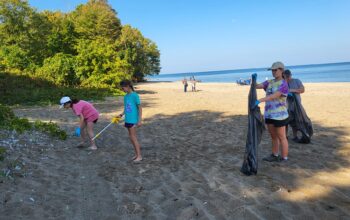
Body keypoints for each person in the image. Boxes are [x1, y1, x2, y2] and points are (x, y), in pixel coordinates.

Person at [253, 61, 289, 162]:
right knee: (273, 136)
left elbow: (274, 96)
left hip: (280, 115)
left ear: (281, 70)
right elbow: (258, 86)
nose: (273, 72)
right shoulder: (269, 82)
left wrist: (259, 101)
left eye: (275, 70)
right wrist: (253, 80)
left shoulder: (284, 84)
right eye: (272, 70)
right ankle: (274, 154)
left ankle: (284, 157)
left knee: (282, 136)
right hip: (269, 114)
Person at [117, 80, 143, 162]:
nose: (122, 90)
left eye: (123, 88)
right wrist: (121, 114)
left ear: (128, 86)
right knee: (131, 138)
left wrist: (139, 120)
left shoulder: (135, 95)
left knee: (133, 138)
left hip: (133, 120)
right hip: (127, 120)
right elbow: (126, 108)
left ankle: (139, 156)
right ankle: (136, 155)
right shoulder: (126, 97)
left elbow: (140, 108)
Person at [283, 69, 305, 141]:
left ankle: (295, 136)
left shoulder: (296, 81)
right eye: (285, 77)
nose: (287, 78)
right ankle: (285, 136)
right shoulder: (283, 83)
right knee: (285, 122)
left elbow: (302, 90)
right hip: (285, 106)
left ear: (290, 75)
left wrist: (292, 90)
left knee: (295, 122)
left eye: (288, 77)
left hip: (296, 106)